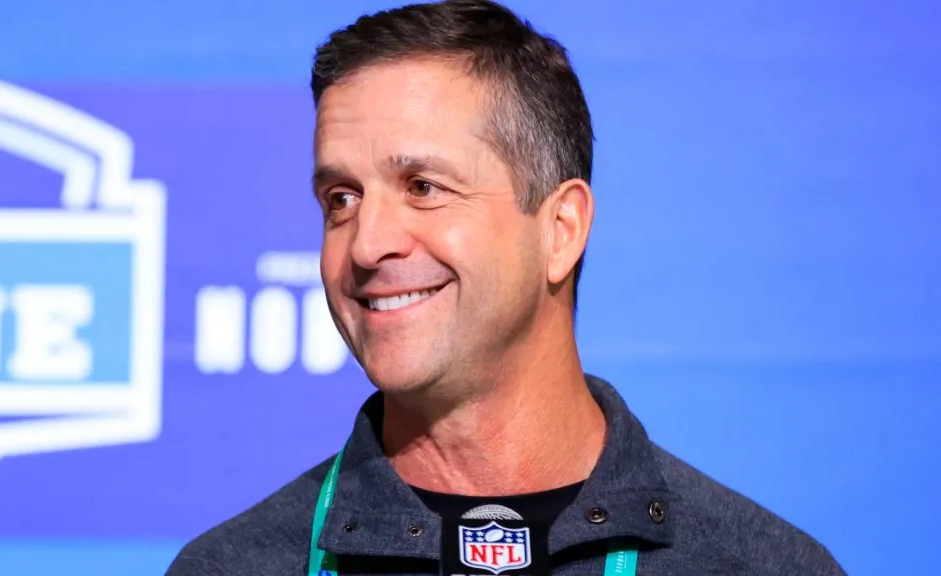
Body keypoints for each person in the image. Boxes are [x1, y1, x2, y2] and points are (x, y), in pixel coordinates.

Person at [166, 1, 846, 574]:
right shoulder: (233, 564)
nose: (366, 244)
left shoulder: (759, 564)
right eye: (340, 198)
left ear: (561, 229)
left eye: (423, 187)